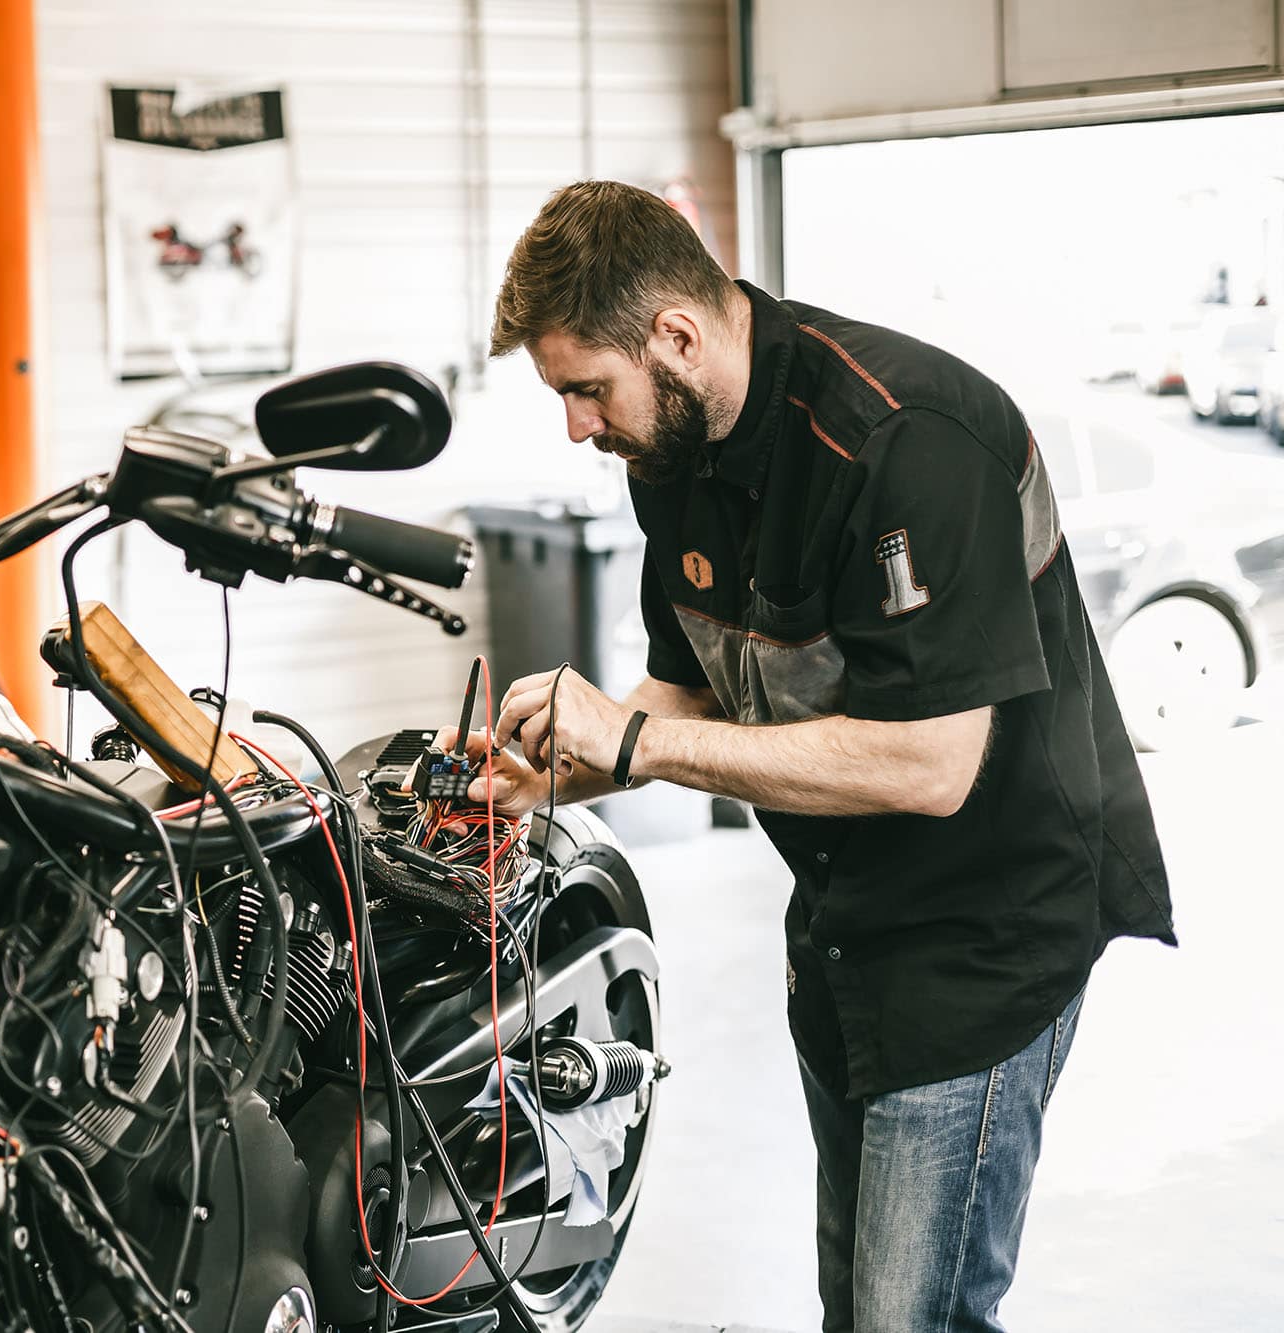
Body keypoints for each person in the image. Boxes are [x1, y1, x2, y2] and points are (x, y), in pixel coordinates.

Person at [442, 180, 1176, 1333]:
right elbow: (683, 686)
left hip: (984, 937)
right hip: (840, 930)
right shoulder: (671, 457)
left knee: (910, 1318)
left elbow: (930, 765)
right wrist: (553, 768)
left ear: (674, 337)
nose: (575, 426)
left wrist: (632, 742)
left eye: (586, 388)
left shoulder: (907, 440)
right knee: (859, 1306)